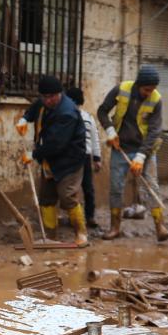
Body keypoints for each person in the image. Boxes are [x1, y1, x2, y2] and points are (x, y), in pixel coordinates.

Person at [96, 64, 168, 242]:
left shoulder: (156, 99)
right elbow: (102, 111)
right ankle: (115, 227)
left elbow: (154, 131)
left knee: (152, 187)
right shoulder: (121, 90)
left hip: (145, 149)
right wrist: (110, 131)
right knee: (116, 188)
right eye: (146, 89)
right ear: (138, 84)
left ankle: (160, 226)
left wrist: (141, 155)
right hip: (120, 147)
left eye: (152, 89)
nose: (149, 93)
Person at [17, 76, 89, 246]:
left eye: (52, 97)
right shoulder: (43, 102)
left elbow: (57, 144)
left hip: (69, 161)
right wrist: (25, 119)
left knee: (67, 195)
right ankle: (51, 236)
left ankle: (81, 233)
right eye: (45, 96)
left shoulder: (67, 112)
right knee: (46, 198)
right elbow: (35, 108)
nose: (48, 100)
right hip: (49, 159)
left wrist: (33, 154)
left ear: (60, 94)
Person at [67, 86, 102, 230]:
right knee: (71, 190)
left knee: (88, 188)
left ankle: (90, 217)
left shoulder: (88, 117)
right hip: (70, 157)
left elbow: (95, 138)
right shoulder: (65, 116)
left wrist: (97, 158)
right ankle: (74, 217)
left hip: (86, 157)